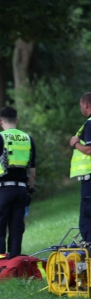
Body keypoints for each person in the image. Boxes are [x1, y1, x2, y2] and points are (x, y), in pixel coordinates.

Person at [0, 106, 36, 257]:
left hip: (3, 191)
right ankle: (14, 266)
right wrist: (28, 197)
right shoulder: (28, 139)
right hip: (21, 191)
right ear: (17, 120)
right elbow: (32, 174)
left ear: (0, 121)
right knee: (16, 229)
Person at [69, 93, 91, 242]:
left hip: (89, 180)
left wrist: (75, 143)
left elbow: (89, 150)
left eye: (80, 105)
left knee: (86, 221)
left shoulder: (90, 124)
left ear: (86, 105)